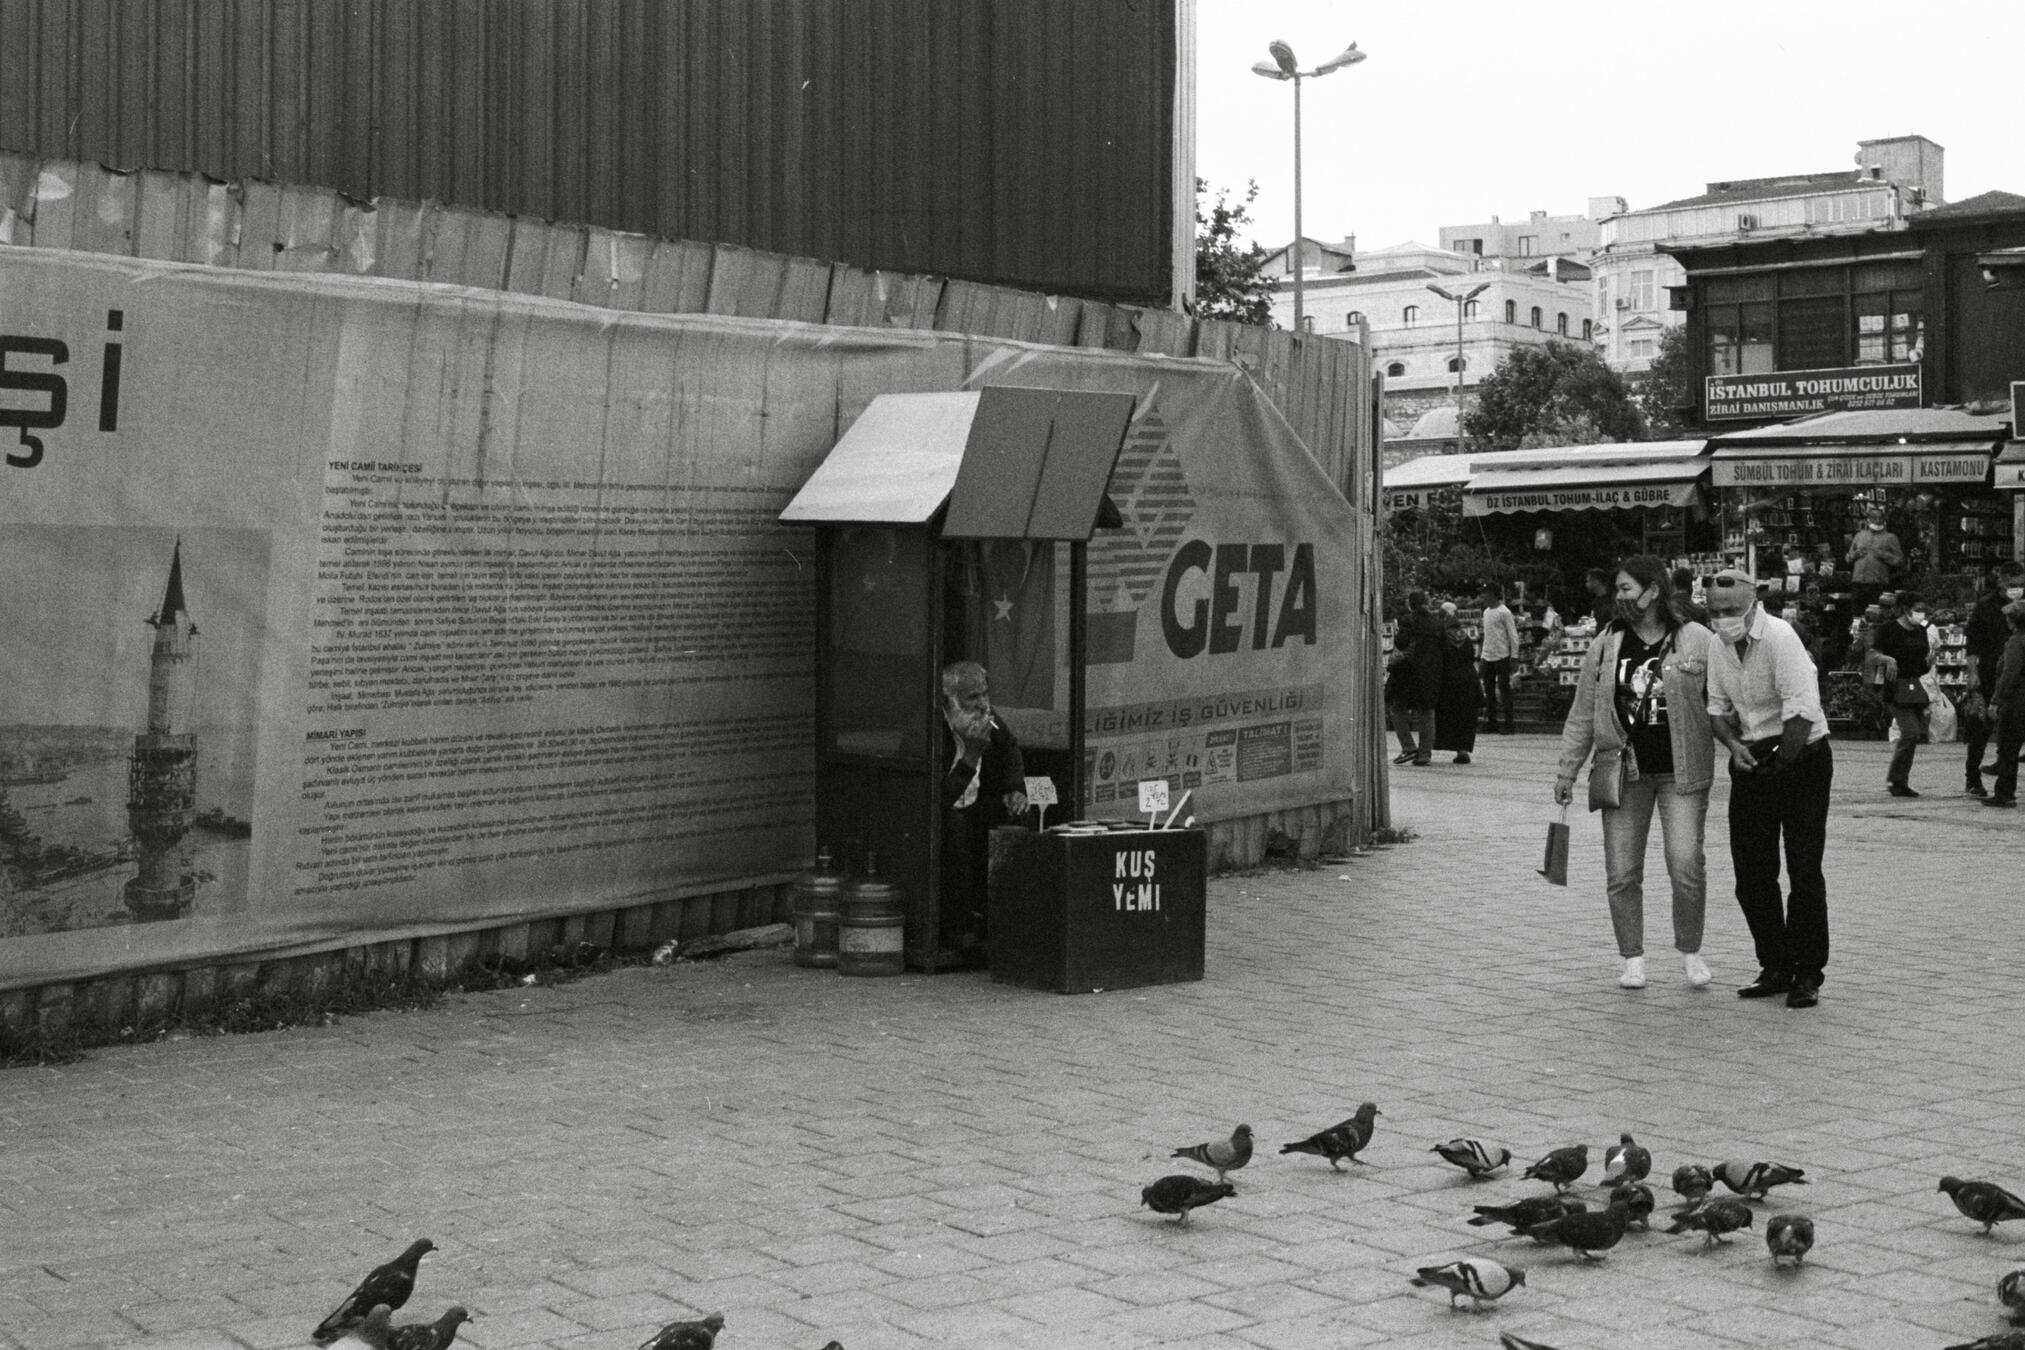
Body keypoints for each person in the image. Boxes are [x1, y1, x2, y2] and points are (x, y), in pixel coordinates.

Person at [1554, 557, 1718, 991]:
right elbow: (1583, 711)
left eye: (1627, 589)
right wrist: (1567, 771)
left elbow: (1722, 699)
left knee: (1685, 864)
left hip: (1682, 772)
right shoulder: (1606, 643)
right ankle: (1632, 958)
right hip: (1624, 773)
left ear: (1654, 590)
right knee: (1622, 871)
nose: (1620, 597)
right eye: (1618, 590)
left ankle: (1691, 951)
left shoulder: (1697, 639)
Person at [1703, 567, 1833, 1010]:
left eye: (1731, 610)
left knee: (1803, 869)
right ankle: (1775, 964)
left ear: (1753, 605)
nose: (1723, 619)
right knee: (1752, 872)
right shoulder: (1717, 646)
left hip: (1801, 752)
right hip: (1753, 752)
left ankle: (1808, 971)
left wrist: (1783, 765)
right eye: (1715, 612)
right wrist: (1734, 746)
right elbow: (1716, 708)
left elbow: (1802, 710)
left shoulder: (1780, 638)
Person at [939, 661, 1027, 953]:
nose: (982, 704)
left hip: (975, 805)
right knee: (954, 825)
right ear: (949, 701)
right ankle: (959, 928)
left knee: (1013, 818)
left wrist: (1014, 788)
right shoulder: (931, 729)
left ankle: (1004, 922)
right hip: (940, 814)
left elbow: (1010, 748)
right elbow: (939, 799)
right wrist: (971, 756)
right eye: (972, 697)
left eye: (985, 694)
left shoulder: (988, 719)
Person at [1965, 563, 2025, 797]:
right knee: (1981, 729)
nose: (2017, 589)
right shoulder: (1986, 606)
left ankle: (2003, 769)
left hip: (2019, 679)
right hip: (1991, 672)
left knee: (2011, 729)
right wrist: (1972, 672)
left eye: (2021, 584)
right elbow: (1973, 640)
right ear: (2001, 581)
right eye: (2013, 584)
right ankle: (1973, 778)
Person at [1868, 589, 1934, 798]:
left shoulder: (1921, 631)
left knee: (1914, 734)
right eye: (1918, 609)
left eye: (1924, 610)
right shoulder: (1889, 629)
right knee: (1910, 732)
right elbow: (1872, 655)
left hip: (1915, 686)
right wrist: (1888, 660)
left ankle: (1900, 779)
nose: (1921, 614)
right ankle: (1896, 779)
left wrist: (1928, 662)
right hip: (1895, 687)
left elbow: (1921, 665)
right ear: (1906, 609)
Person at [1386, 591, 1445, 767]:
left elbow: (1401, 643)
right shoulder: (1437, 622)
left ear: (1410, 604)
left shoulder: (1408, 621)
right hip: (1430, 673)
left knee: (1397, 707)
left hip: (1407, 672)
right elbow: (1444, 647)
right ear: (1427, 602)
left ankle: (1409, 746)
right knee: (1427, 711)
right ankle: (1425, 754)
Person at [1981, 599, 2025, 809]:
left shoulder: (2016, 642)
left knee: (2008, 749)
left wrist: (1995, 700)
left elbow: (2010, 673)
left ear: (2012, 621)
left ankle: (2004, 793)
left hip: (2016, 702)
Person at [1434, 604, 1484, 765]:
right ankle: (1463, 750)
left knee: (1451, 716)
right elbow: (1471, 656)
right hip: (1468, 680)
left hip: (1449, 682)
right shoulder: (1465, 637)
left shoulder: (1442, 637)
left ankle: (1451, 746)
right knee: (1466, 717)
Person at [1478, 586, 1521, 735]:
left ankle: (1509, 724)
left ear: (1492, 594)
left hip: (1502, 656)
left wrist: (1514, 656)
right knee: (1489, 690)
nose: (1483, 597)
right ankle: (1492, 722)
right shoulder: (1486, 612)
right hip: (1488, 656)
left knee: (1504, 690)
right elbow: (1487, 637)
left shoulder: (1505, 612)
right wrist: (1482, 657)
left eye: (1485, 594)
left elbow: (1513, 635)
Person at [1845, 505, 1903, 605]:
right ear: (1868, 520)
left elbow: (1900, 560)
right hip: (1858, 582)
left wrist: (1884, 555)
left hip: (1878, 584)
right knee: (1857, 611)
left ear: (1884, 520)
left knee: (1876, 611)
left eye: (1880, 518)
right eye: (1874, 518)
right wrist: (1855, 554)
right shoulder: (1859, 535)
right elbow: (1848, 559)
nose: (1878, 520)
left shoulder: (1891, 537)